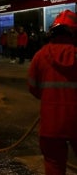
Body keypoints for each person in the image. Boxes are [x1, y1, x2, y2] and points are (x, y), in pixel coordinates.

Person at [28, 10, 77, 175]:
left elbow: (33, 87)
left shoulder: (40, 56)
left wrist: (50, 98)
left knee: (54, 165)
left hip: (51, 124)